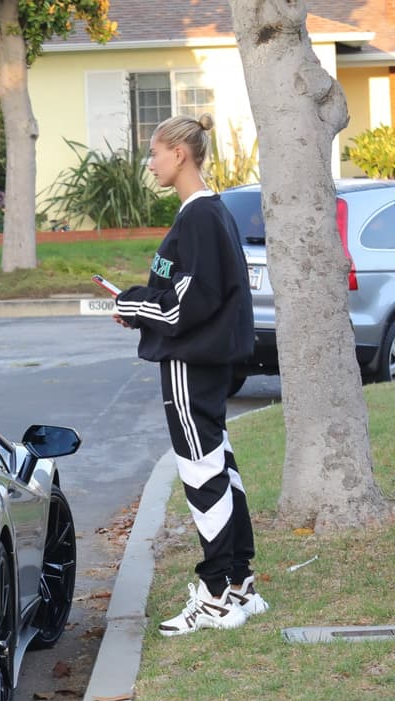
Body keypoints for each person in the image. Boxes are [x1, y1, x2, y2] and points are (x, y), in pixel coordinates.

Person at [111, 114, 269, 636]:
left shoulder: (199, 217)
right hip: (206, 360)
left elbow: (186, 306)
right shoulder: (211, 212)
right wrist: (136, 304)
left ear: (180, 153)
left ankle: (217, 594)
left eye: (154, 153)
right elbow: (191, 294)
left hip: (190, 363)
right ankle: (239, 583)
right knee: (218, 464)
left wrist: (130, 305)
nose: (150, 163)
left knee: (202, 472)